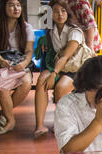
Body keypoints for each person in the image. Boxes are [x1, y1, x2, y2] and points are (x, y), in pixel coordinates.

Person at [34, 0, 85, 139]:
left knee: (61, 87)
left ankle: (62, 123)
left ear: (68, 13)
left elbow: (65, 56)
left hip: (75, 69)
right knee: (41, 81)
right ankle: (39, 125)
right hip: (59, 67)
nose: (60, 14)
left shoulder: (75, 31)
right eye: (55, 11)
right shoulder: (51, 32)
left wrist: (54, 74)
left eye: (63, 11)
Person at [0, 0, 34, 135]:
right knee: (2, 87)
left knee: (26, 83)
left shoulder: (26, 28)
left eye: (18, 5)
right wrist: (0, 60)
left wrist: (24, 64)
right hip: (1, 64)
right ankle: (10, 119)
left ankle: (3, 114)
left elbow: (29, 51)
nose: (16, 8)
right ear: (4, 7)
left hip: (20, 63)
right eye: (11, 5)